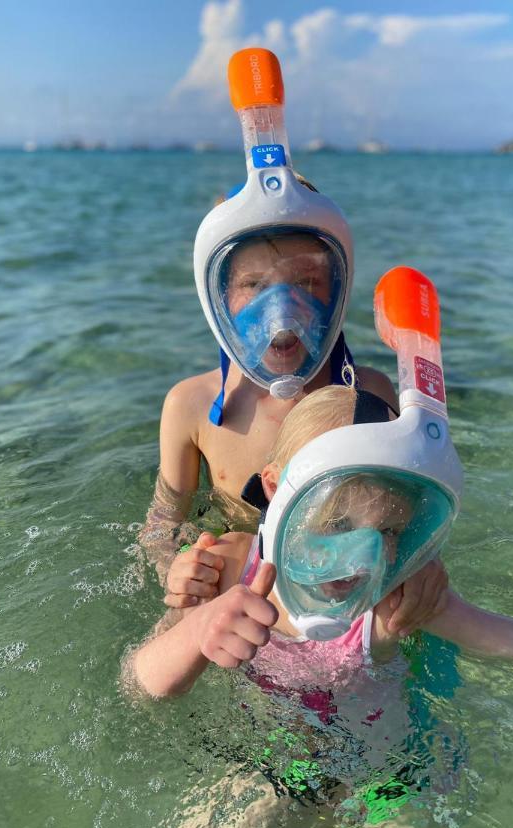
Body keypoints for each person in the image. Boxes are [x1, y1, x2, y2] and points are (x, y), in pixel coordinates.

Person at [128, 385, 513, 701]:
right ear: (276, 490)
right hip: (264, 767)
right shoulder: (230, 565)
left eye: (388, 532)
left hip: (379, 777)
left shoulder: (397, 600)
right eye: (337, 522)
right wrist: (197, 628)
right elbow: (140, 685)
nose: (360, 559)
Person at [138, 48, 397, 598]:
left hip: (338, 590)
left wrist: (415, 572)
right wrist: (177, 571)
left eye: (306, 284)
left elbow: (398, 514)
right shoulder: (190, 408)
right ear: (219, 297)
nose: (281, 310)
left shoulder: (368, 397)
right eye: (253, 286)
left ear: (338, 289)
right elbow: (162, 526)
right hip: (242, 590)